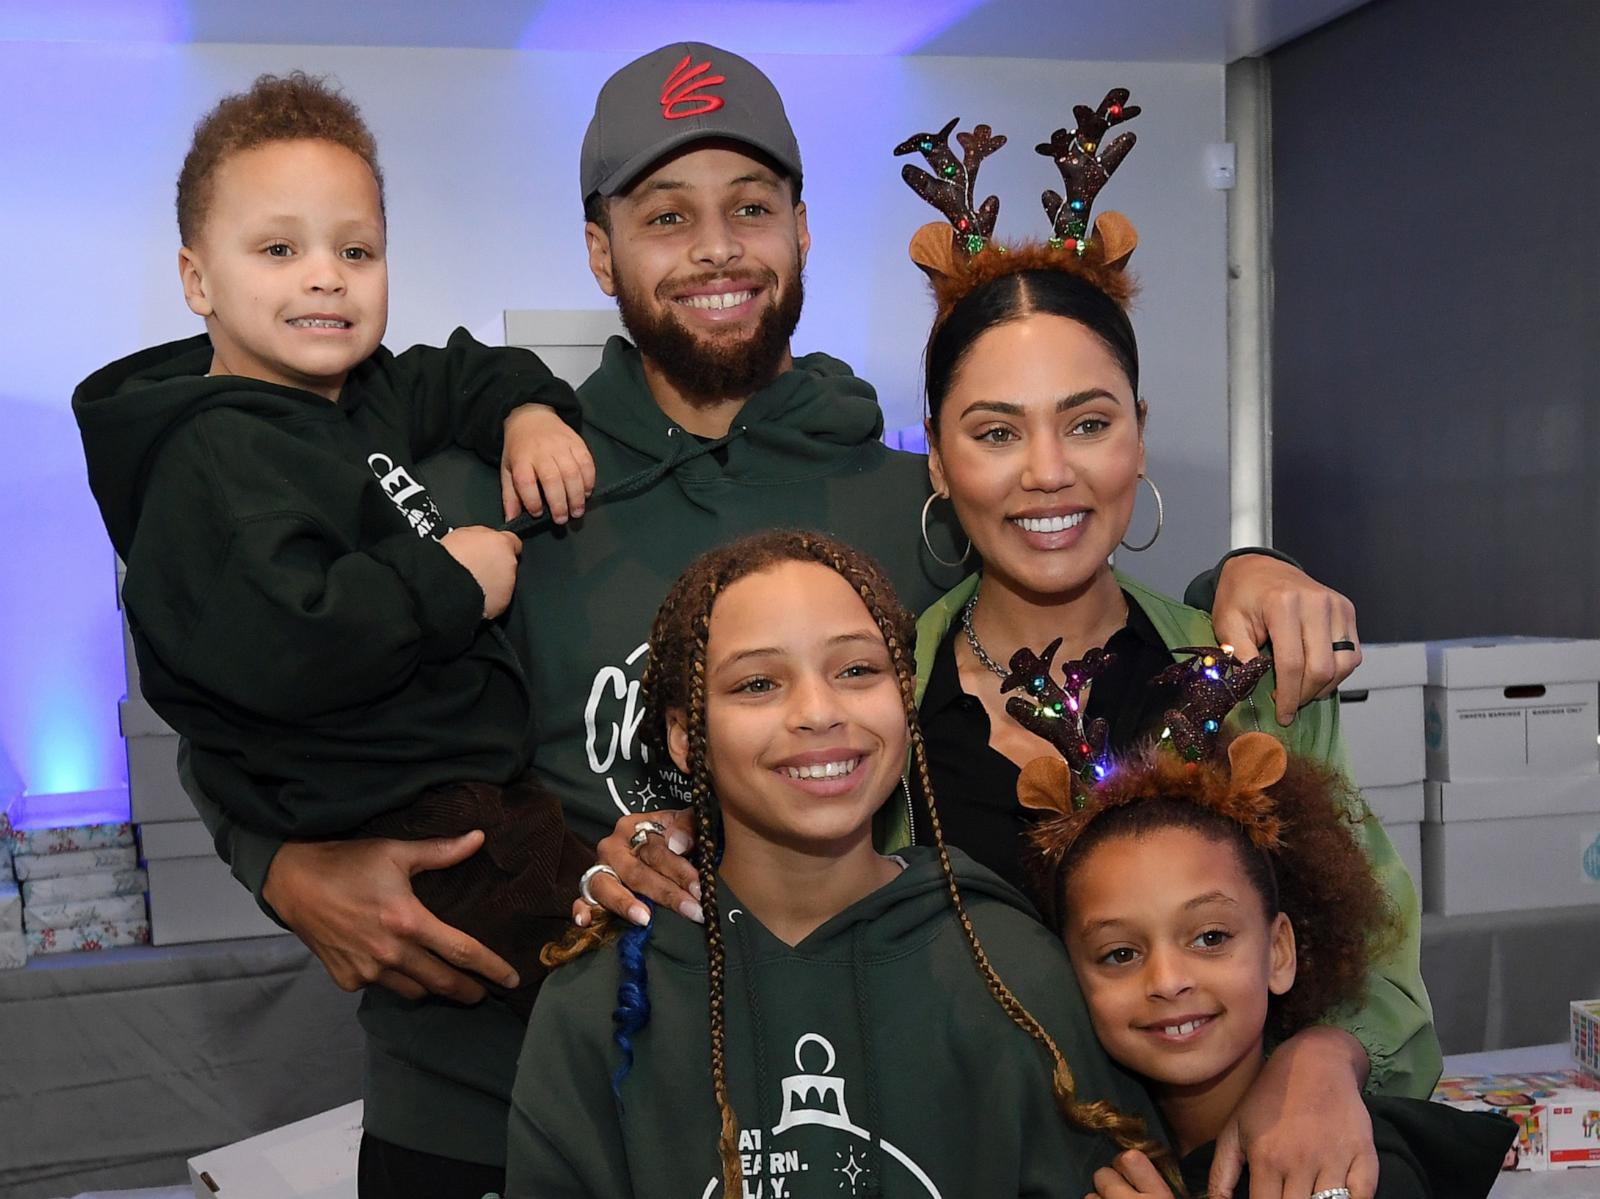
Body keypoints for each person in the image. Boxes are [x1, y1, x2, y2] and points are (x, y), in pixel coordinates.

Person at [181, 46, 1366, 1190]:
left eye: (750, 207)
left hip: (829, 1106)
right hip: (476, 1097)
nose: (714, 249)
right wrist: (277, 859)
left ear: (801, 231)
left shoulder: (909, 503)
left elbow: (1061, 546)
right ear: (600, 251)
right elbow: (235, 647)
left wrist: (1236, 578)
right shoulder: (486, 488)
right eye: (663, 216)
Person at [589, 92, 1437, 1199]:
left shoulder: (1252, 680)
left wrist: (1325, 1053)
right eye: (995, 432)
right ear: (936, 459)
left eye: (1088, 422)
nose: (1048, 471)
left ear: (1138, 434)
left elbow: (1381, 974)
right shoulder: (874, 720)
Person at [72, 71, 595, 1193]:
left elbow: (464, 368)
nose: (325, 277)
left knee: (627, 953)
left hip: (467, 791)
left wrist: (527, 407)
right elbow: (290, 641)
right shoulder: (211, 460)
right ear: (194, 278)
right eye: (279, 251)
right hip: (400, 814)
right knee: (625, 985)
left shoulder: (354, 398)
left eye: (356, 251)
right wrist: (452, 578)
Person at [507, 529, 1169, 1198]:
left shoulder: (1012, 969)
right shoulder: (606, 998)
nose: (818, 712)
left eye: (857, 670)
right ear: (685, 735)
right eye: (758, 682)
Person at [1015, 720, 1513, 1198]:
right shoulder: (1069, 1162)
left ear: (1278, 952)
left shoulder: (1352, 1162)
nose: (1167, 981)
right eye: (1120, 953)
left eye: (1210, 938)